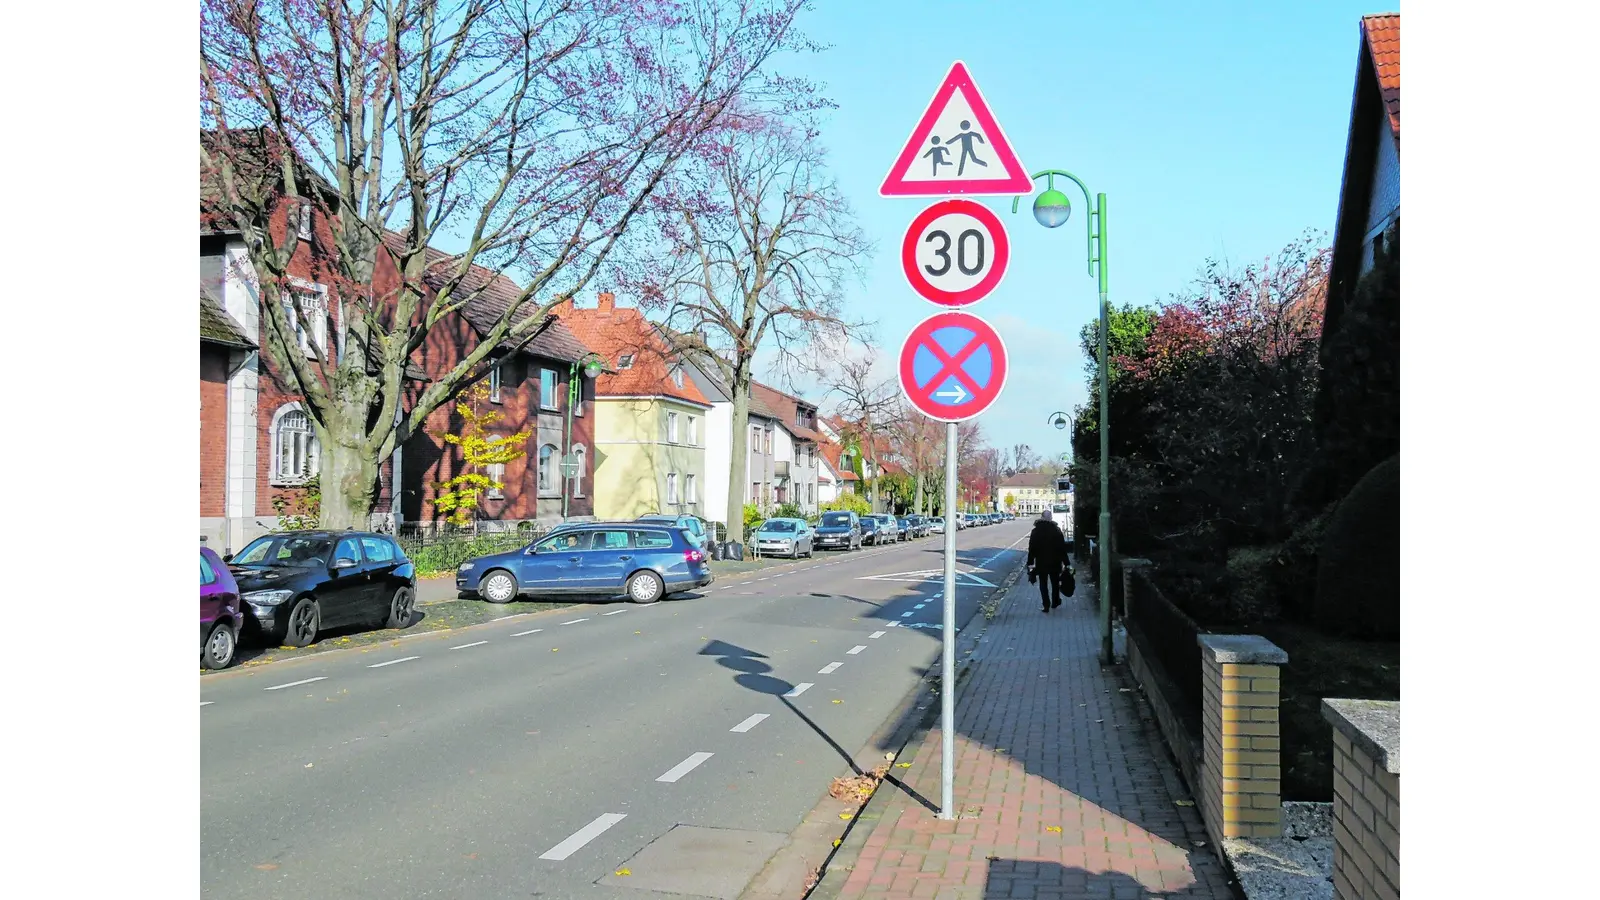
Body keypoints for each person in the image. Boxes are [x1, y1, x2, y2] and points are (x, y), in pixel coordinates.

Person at [1026, 509, 1071, 612]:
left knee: (1043, 583)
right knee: (1055, 582)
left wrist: (1030, 563)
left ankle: (1046, 604)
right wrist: (1067, 563)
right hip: (1055, 562)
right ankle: (1055, 602)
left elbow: (1031, 548)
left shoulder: (1036, 531)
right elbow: (1062, 548)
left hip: (1041, 562)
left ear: (1041, 517)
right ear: (1050, 518)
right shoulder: (1056, 530)